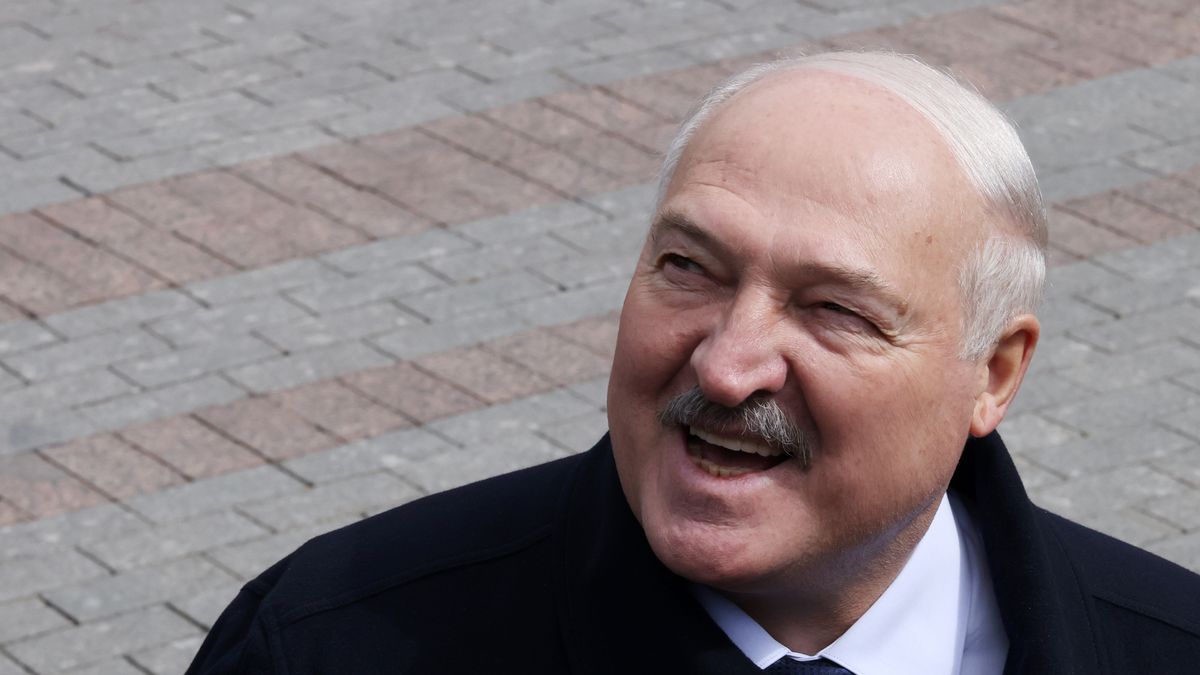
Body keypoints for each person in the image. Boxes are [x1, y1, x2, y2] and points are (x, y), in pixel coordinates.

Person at [186, 51, 1200, 674]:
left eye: (833, 309)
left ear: (994, 373)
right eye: (689, 267)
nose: (726, 366)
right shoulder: (327, 644)